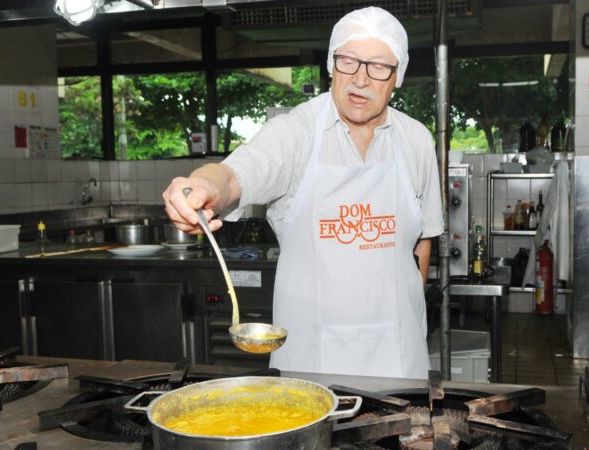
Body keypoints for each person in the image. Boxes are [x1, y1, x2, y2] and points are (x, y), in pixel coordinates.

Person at [163, 6, 443, 379]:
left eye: (378, 67)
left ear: (398, 75)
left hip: (399, 356)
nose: (360, 79)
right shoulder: (295, 133)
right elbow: (231, 176)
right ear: (331, 65)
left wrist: (405, 313)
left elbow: (423, 241)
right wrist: (201, 186)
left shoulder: (416, 140)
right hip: (311, 360)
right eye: (348, 61)